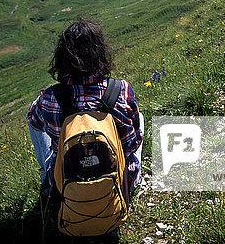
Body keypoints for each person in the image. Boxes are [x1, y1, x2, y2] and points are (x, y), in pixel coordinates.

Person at [27, 19, 143, 198]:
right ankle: (130, 178)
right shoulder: (121, 90)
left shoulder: (49, 99)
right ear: (100, 53)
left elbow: (33, 119)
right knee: (139, 118)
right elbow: (132, 144)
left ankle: (47, 175)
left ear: (62, 57)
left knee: (35, 120)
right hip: (119, 188)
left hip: (67, 192)